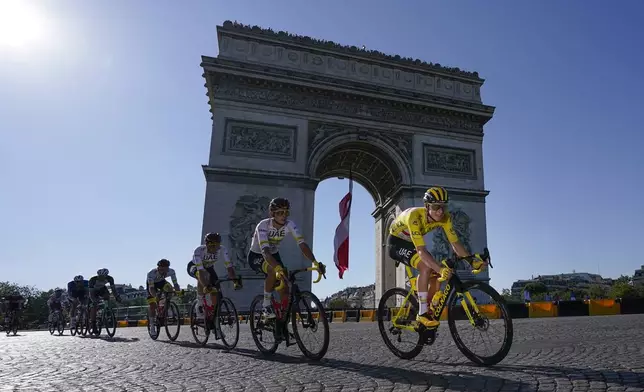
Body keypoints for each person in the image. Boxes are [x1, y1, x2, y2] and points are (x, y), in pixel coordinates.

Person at [387, 186, 487, 329]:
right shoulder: (414, 217)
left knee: (435, 274)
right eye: (436, 207)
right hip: (396, 243)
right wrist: (440, 269)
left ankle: (427, 307)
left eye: (443, 207)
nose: (440, 211)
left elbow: (455, 243)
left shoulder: (445, 218)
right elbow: (421, 251)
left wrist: (471, 260)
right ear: (427, 206)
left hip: (412, 242)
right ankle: (422, 313)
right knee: (427, 266)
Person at [247, 197, 325, 318]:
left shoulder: (289, 224)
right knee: (274, 270)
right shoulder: (263, 225)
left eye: (286, 212)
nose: (284, 216)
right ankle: (266, 305)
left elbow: (302, 244)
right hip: (257, 255)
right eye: (279, 213)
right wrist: (277, 268)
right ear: (272, 214)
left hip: (273, 254)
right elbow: (265, 251)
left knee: (285, 286)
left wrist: (315, 262)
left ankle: (282, 318)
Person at [187, 233, 241, 321]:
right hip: (195, 267)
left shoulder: (222, 249)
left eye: (217, 245)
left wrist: (234, 280)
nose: (214, 248)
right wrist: (205, 286)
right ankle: (200, 303)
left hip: (209, 267)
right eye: (212, 245)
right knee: (204, 276)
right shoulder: (199, 250)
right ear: (207, 244)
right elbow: (200, 271)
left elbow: (229, 267)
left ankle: (214, 315)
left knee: (215, 288)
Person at [146, 258, 180, 329]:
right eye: (162, 270)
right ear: (158, 268)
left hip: (161, 282)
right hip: (152, 285)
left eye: (166, 270)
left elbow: (175, 284)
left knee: (170, 288)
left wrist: (178, 292)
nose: (164, 271)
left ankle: (166, 307)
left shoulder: (171, 271)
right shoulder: (151, 273)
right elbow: (151, 288)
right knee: (152, 304)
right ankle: (152, 325)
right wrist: (155, 297)